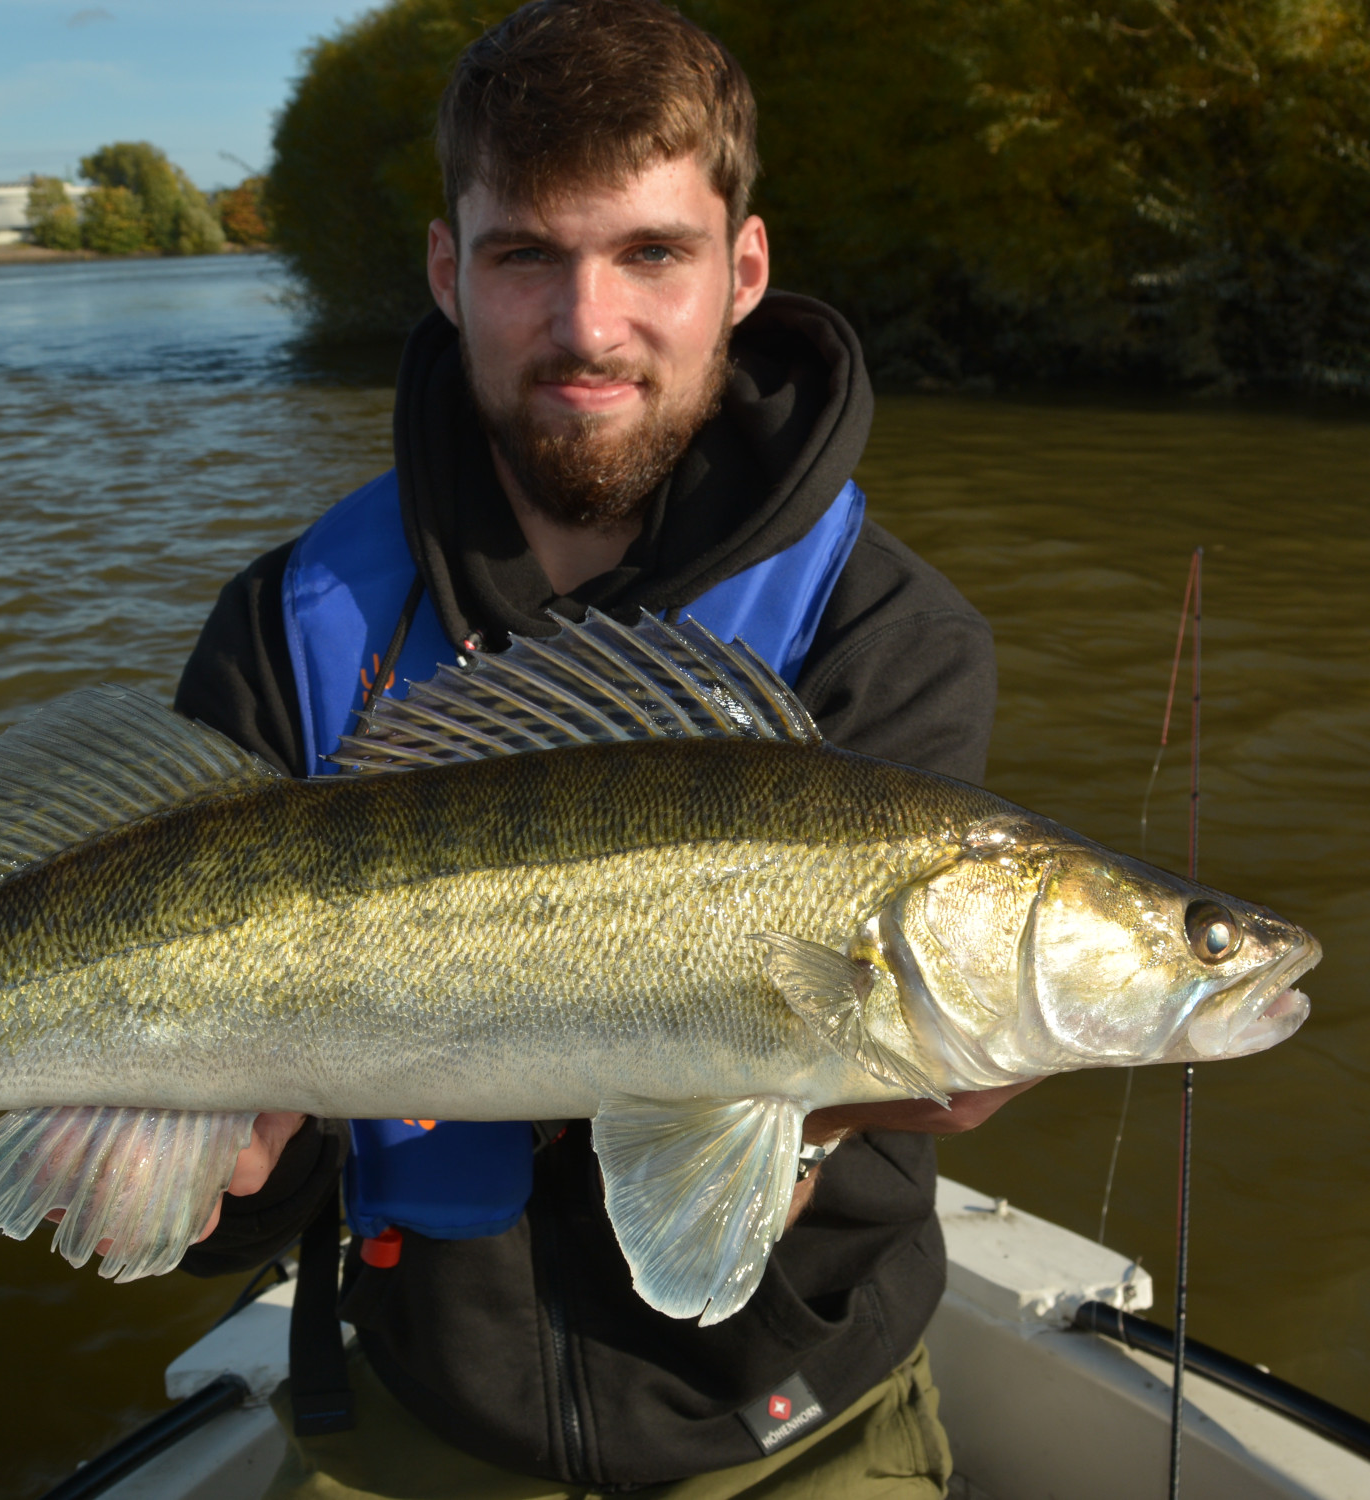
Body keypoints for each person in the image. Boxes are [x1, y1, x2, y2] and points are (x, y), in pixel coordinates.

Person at [173, 1, 1034, 1493]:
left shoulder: (885, 635)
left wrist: (844, 1086)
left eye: (652, 253)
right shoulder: (290, 625)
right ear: (448, 273)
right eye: (526, 257)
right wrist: (217, 1192)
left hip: (792, 1420)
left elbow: (820, 1118)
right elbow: (229, 1201)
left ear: (742, 271)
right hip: (410, 1428)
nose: (588, 326)